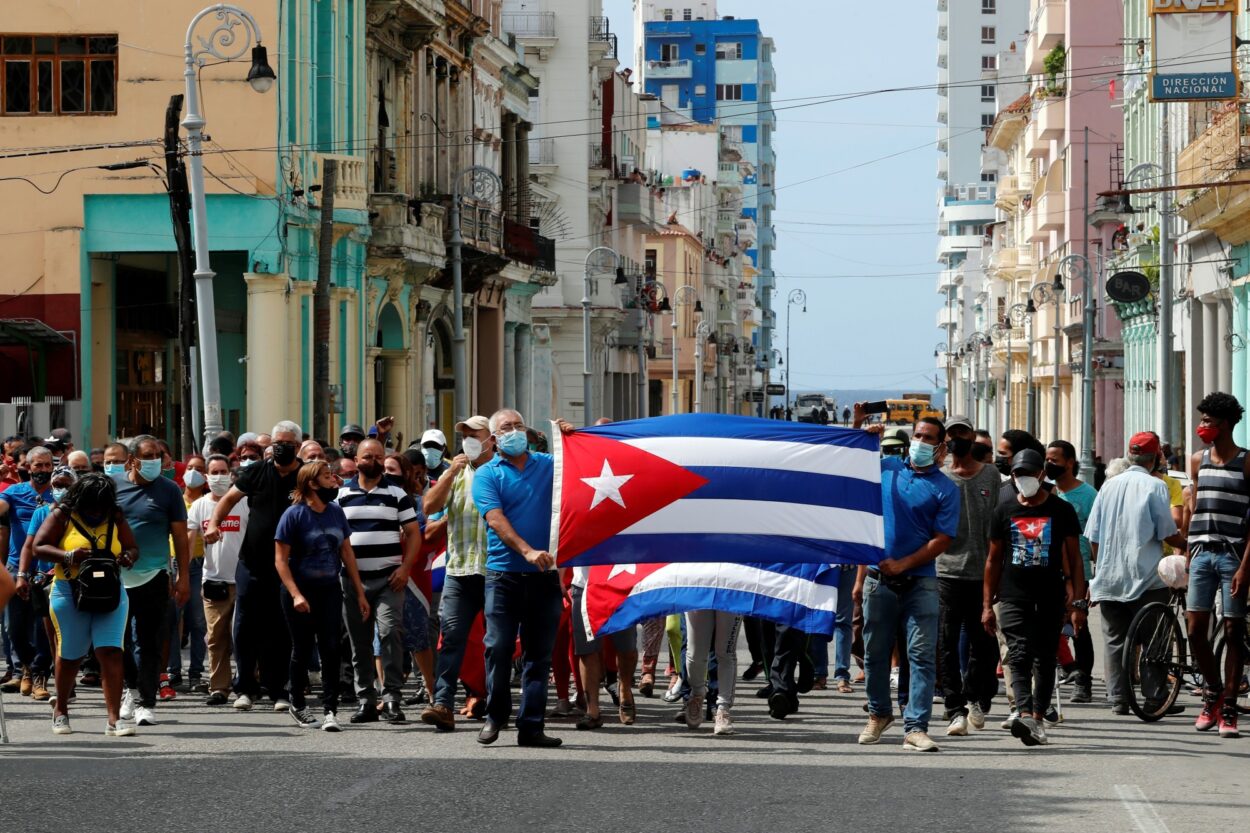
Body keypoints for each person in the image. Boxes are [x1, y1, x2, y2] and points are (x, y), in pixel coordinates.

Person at [853, 407, 960, 752]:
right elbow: (848, 462)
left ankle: (916, 727)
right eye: (918, 436)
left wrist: (904, 564)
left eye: (929, 439)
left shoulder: (945, 489)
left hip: (921, 582)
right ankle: (879, 713)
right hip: (877, 580)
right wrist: (857, 428)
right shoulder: (887, 469)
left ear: (941, 447)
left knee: (921, 655)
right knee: (875, 652)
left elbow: (942, 539)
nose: (921, 443)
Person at [471, 409, 571, 748]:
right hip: (503, 576)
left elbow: (584, 470)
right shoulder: (486, 474)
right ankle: (495, 715)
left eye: (518, 426)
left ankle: (531, 725)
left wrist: (572, 437)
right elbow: (495, 519)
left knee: (538, 654)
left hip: (545, 577)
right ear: (494, 437)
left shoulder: (548, 465)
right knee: (498, 648)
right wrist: (527, 550)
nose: (513, 431)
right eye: (505, 428)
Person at [982, 449, 1087, 747]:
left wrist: (1078, 603)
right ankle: (1024, 712)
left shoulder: (1061, 510)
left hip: (1050, 595)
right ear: (1012, 476)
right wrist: (986, 605)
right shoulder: (1003, 511)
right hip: (1013, 595)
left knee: (1043, 657)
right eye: (1018, 474)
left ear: (1042, 474)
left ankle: (1037, 718)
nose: (1023, 479)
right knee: (1018, 653)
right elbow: (993, 560)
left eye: (1029, 473)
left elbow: (1075, 559)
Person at [1085, 432, 1187, 716]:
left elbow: (1093, 536)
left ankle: (1118, 698)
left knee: (1115, 639)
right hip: (1146, 578)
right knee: (1154, 639)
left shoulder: (1108, 486)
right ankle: (1154, 698)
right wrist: (1188, 545)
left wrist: (1102, 566)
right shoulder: (1156, 487)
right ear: (1155, 458)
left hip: (1109, 578)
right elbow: (1168, 532)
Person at [31, 473, 140, 736]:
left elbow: (132, 547)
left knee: (111, 651)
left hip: (110, 593)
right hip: (69, 593)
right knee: (70, 655)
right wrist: (68, 555)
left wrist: (127, 556)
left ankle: (114, 719)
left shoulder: (115, 515)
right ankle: (61, 711)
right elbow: (38, 547)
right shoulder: (62, 515)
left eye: (102, 506)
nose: (97, 512)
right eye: (92, 506)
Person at [206, 421, 303, 712]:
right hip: (252, 563)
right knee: (245, 627)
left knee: (281, 627)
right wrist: (214, 524)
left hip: (289, 565)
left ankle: (279, 689)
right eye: (275, 442)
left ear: (298, 446)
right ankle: (245, 688)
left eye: (286, 443)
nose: (279, 447)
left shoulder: (305, 475)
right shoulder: (256, 471)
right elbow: (229, 499)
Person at [275, 461, 371, 730]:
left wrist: (359, 593)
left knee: (331, 648)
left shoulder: (336, 512)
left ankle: (330, 709)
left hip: (330, 589)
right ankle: (298, 703)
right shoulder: (293, 515)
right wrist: (295, 594)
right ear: (312, 483)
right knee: (302, 649)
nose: (335, 481)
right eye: (328, 477)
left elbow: (347, 553)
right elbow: (280, 561)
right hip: (300, 591)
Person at [338, 438, 423, 725]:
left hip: (389, 579)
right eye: (366, 456)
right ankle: (366, 700)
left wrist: (405, 568)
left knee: (389, 634)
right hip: (352, 581)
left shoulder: (397, 494)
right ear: (356, 458)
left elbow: (413, 534)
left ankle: (392, 700)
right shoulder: (340, 496)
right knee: (358, 642)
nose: (371, 461)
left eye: (377, 456)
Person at [420, 416, 494, 731]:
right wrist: (450, 472)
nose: (468, 441)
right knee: (451, 638)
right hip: (459, 571)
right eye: (463, 435)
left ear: (490, 439)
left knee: (496, 642)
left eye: (474, 435)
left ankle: (492, 699)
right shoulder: (457, 474)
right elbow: (428, 507)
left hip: (495, 572)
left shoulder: (500, 471)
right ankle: (443, 703)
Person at [110, 436, 190, 727]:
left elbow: (180, 536)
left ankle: (146, 701)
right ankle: (129, 690)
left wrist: (182, 577)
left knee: (150, 641)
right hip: (116, 578)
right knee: (117, 642)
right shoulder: (113, 487)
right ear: (131, 461)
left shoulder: (169, 490)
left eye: (158, 454)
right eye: (149, 455)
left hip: (155, 576)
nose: (156, 460)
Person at [1186, 392, 1250, 737]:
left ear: (1225, 425)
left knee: (1232, 630)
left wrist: (1244, 568)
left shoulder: (1246, 462)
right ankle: (1213, 691)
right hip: (1201, 554)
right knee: (1195, 629)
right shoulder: (1197, 461)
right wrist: (1187, 549)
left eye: (1209, 421)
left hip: (1233, 556)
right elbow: (1196, 506)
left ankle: (1228, 709)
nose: (1202, 426)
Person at [937, 416, 1000, 736]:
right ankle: (954, 707)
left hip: (984, 572)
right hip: (946, 572)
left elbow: (1000, 526)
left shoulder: (991, 475)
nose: (957, 439)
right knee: (946, 643)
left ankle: (978, 695)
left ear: (972, 436)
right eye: (952, 434)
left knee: (984, 644)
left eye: (963, 433)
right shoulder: (940, 477)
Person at [187, 454, 248, 706]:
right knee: (215, 637)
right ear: (206, 476)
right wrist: (182, 572)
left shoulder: (244, 503)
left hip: (243, 580)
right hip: (213, 580)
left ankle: (246, 683)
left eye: (224, 471)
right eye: (214, 472)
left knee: (243, 636)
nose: (219, 476)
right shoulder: (199, 505)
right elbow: (190, 540)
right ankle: (219, 687)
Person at [0, 445, 55, 700]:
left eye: (47, 465)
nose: (43, 470)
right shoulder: (15, 492)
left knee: (43, 627)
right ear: (28, 467)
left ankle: (39, 675)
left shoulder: (60, 495)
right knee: (14, 628)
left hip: (48, 570)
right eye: (38, 465)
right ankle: (25, 667)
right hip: (16, 568)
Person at [1045, 440, 1098, 704]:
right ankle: (1062, 670)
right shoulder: (1047, 493)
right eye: (1047, 459)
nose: (1049, 464)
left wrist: (1096, 573)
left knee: (1079, 626)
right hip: (1051, 569)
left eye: (1055, 460)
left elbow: (1096, 536)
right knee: (1051, 626)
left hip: (1080, 571)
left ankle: (1083, 682)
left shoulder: (1088, 495)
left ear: (1070, 462)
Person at [382, 451, 436, 706]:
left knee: (418, 636)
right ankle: (385, 693)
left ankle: (432, 690)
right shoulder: (373, 499)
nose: (385, 475)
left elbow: (422, 536)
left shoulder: (418, 503)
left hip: (411, 576)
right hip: (380, 572)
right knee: (381, 636)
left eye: (391, 470)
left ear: (404, 474)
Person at [165, 454, 209, 696]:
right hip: (174, 563)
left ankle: (196, 673)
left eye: (199, 469)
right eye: (190, 468)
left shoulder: (210, 502)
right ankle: (174, 672)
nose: (194, 472)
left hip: (201, 565)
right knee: (173, 619)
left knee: (198, 622)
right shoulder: (177, 500)